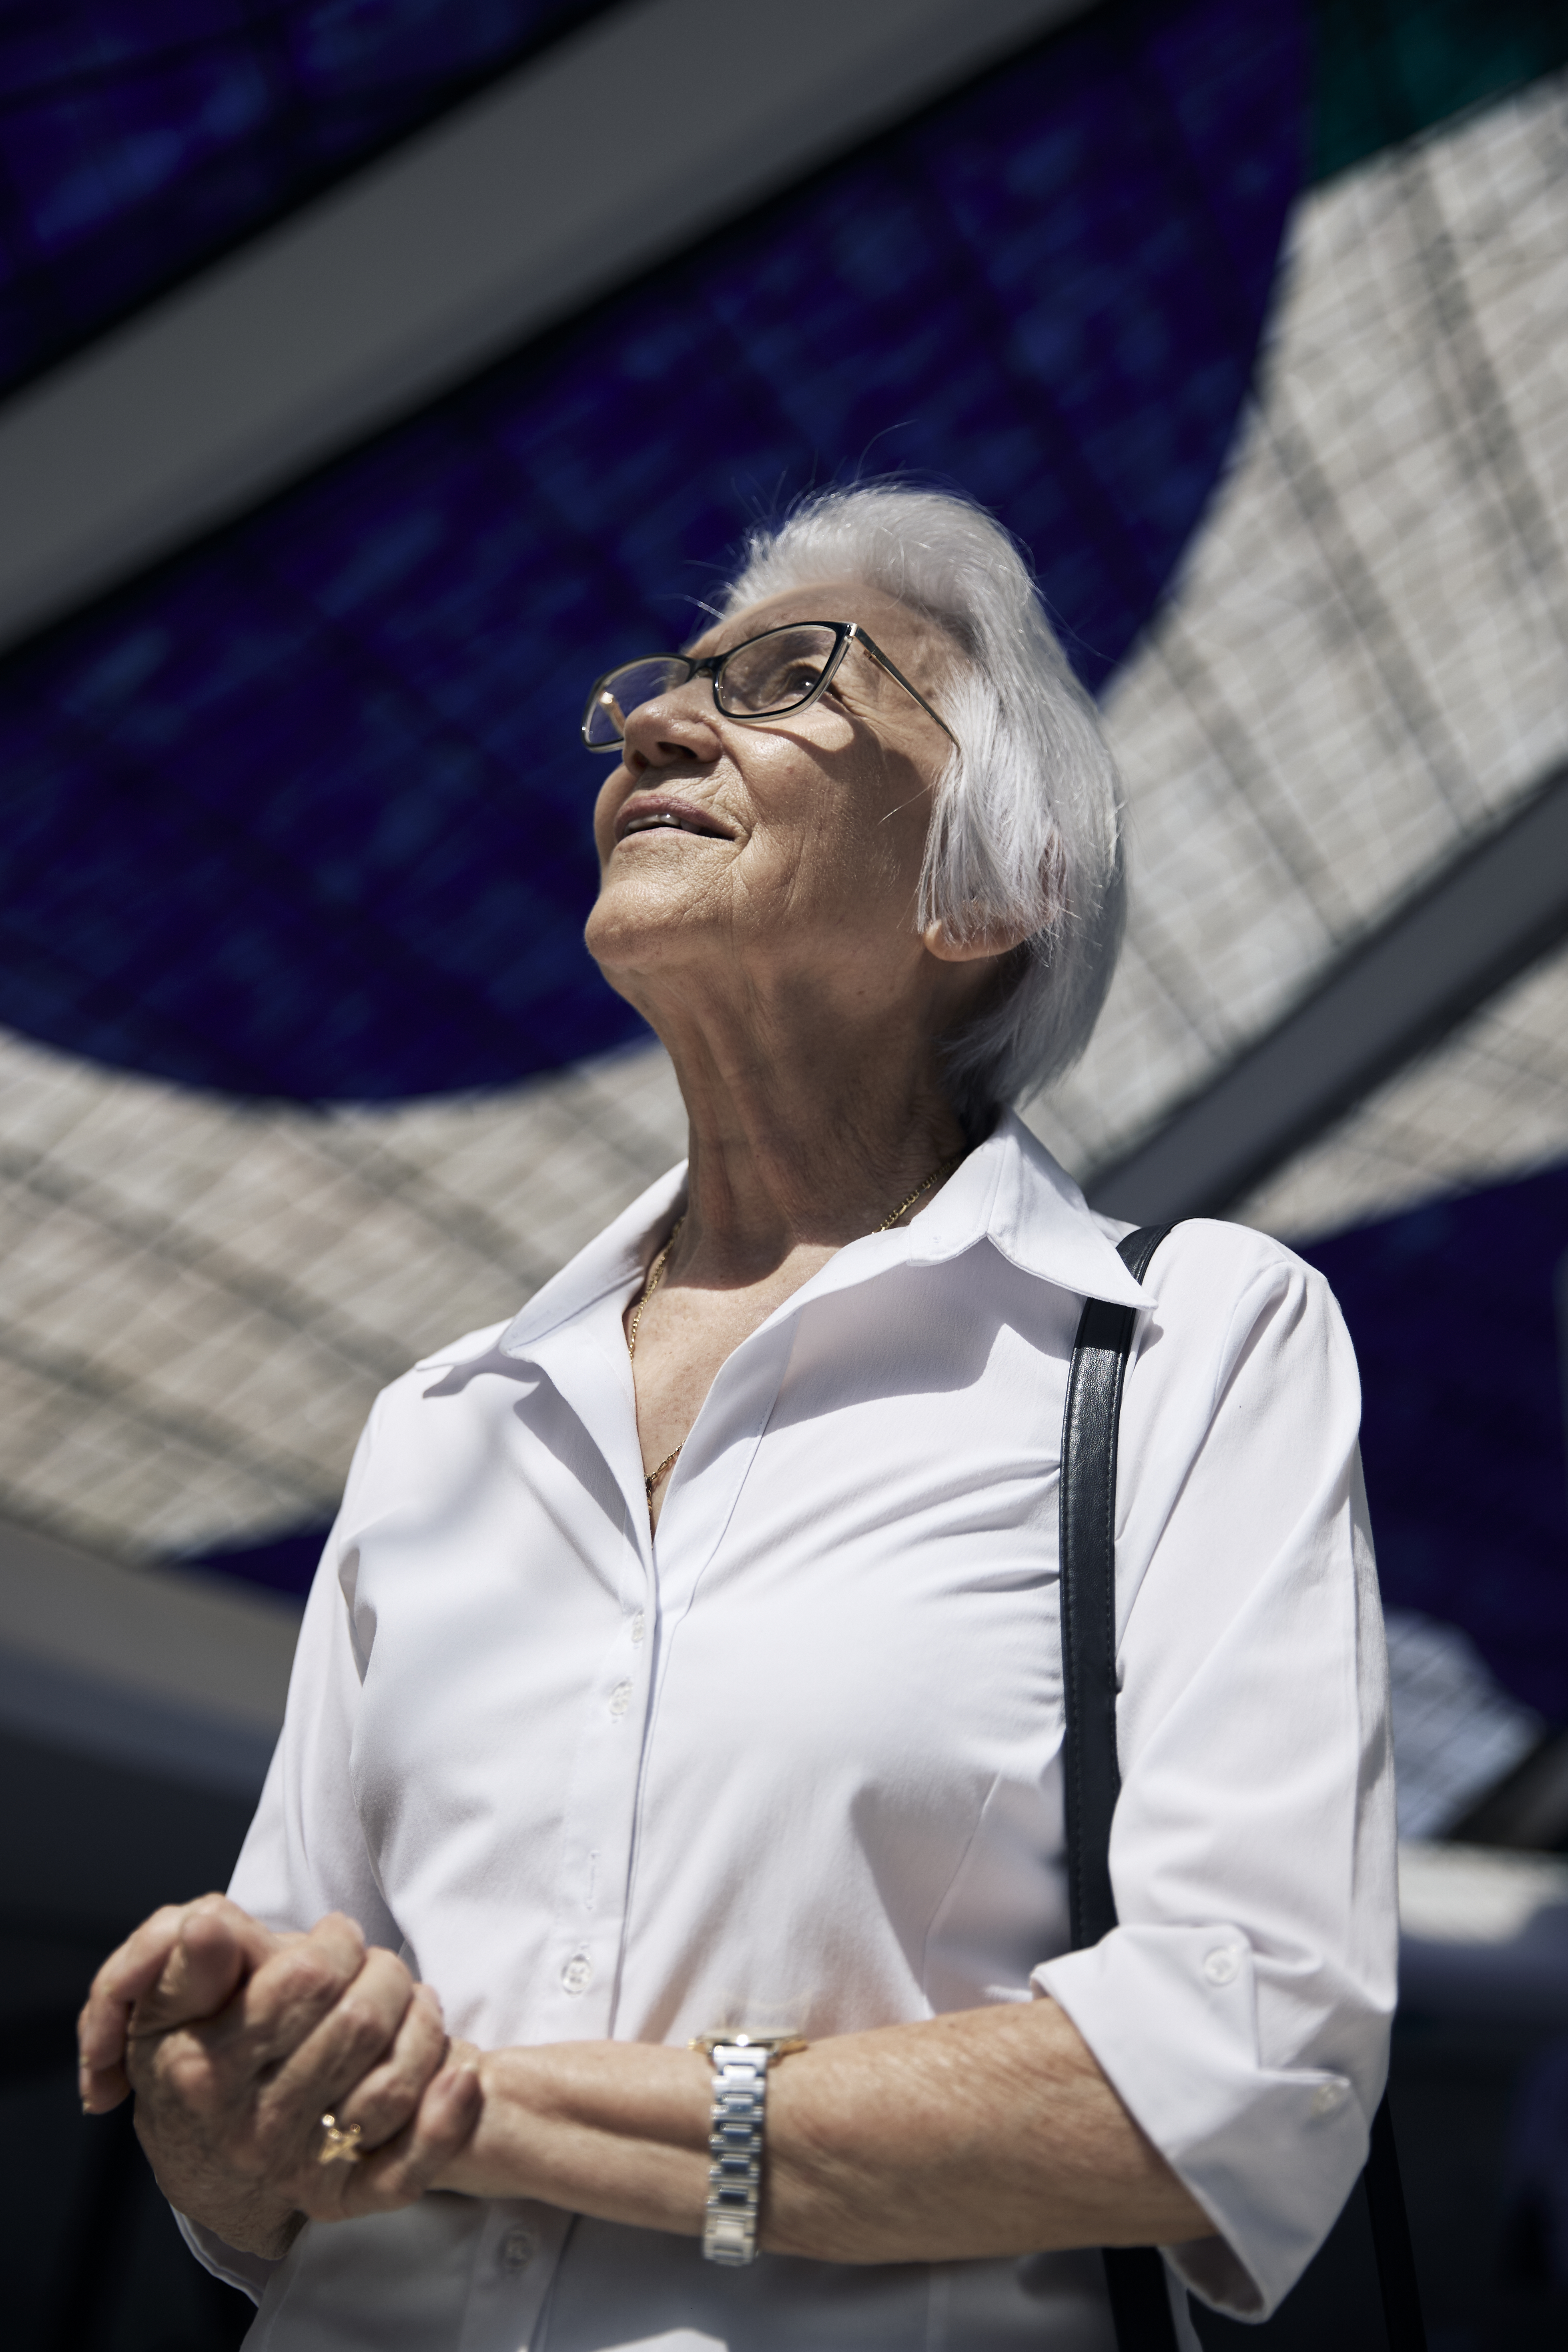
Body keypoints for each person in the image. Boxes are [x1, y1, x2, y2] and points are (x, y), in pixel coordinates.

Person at [80, 485, 1397, 2351]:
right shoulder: (446, 1425)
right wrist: (222, 2107)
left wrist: (482, 2109)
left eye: (792, 679)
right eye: (662, 686)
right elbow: (286, 2171)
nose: (657, 724)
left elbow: (1236, 2071)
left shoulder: (1190, 1347)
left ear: (993, 892)